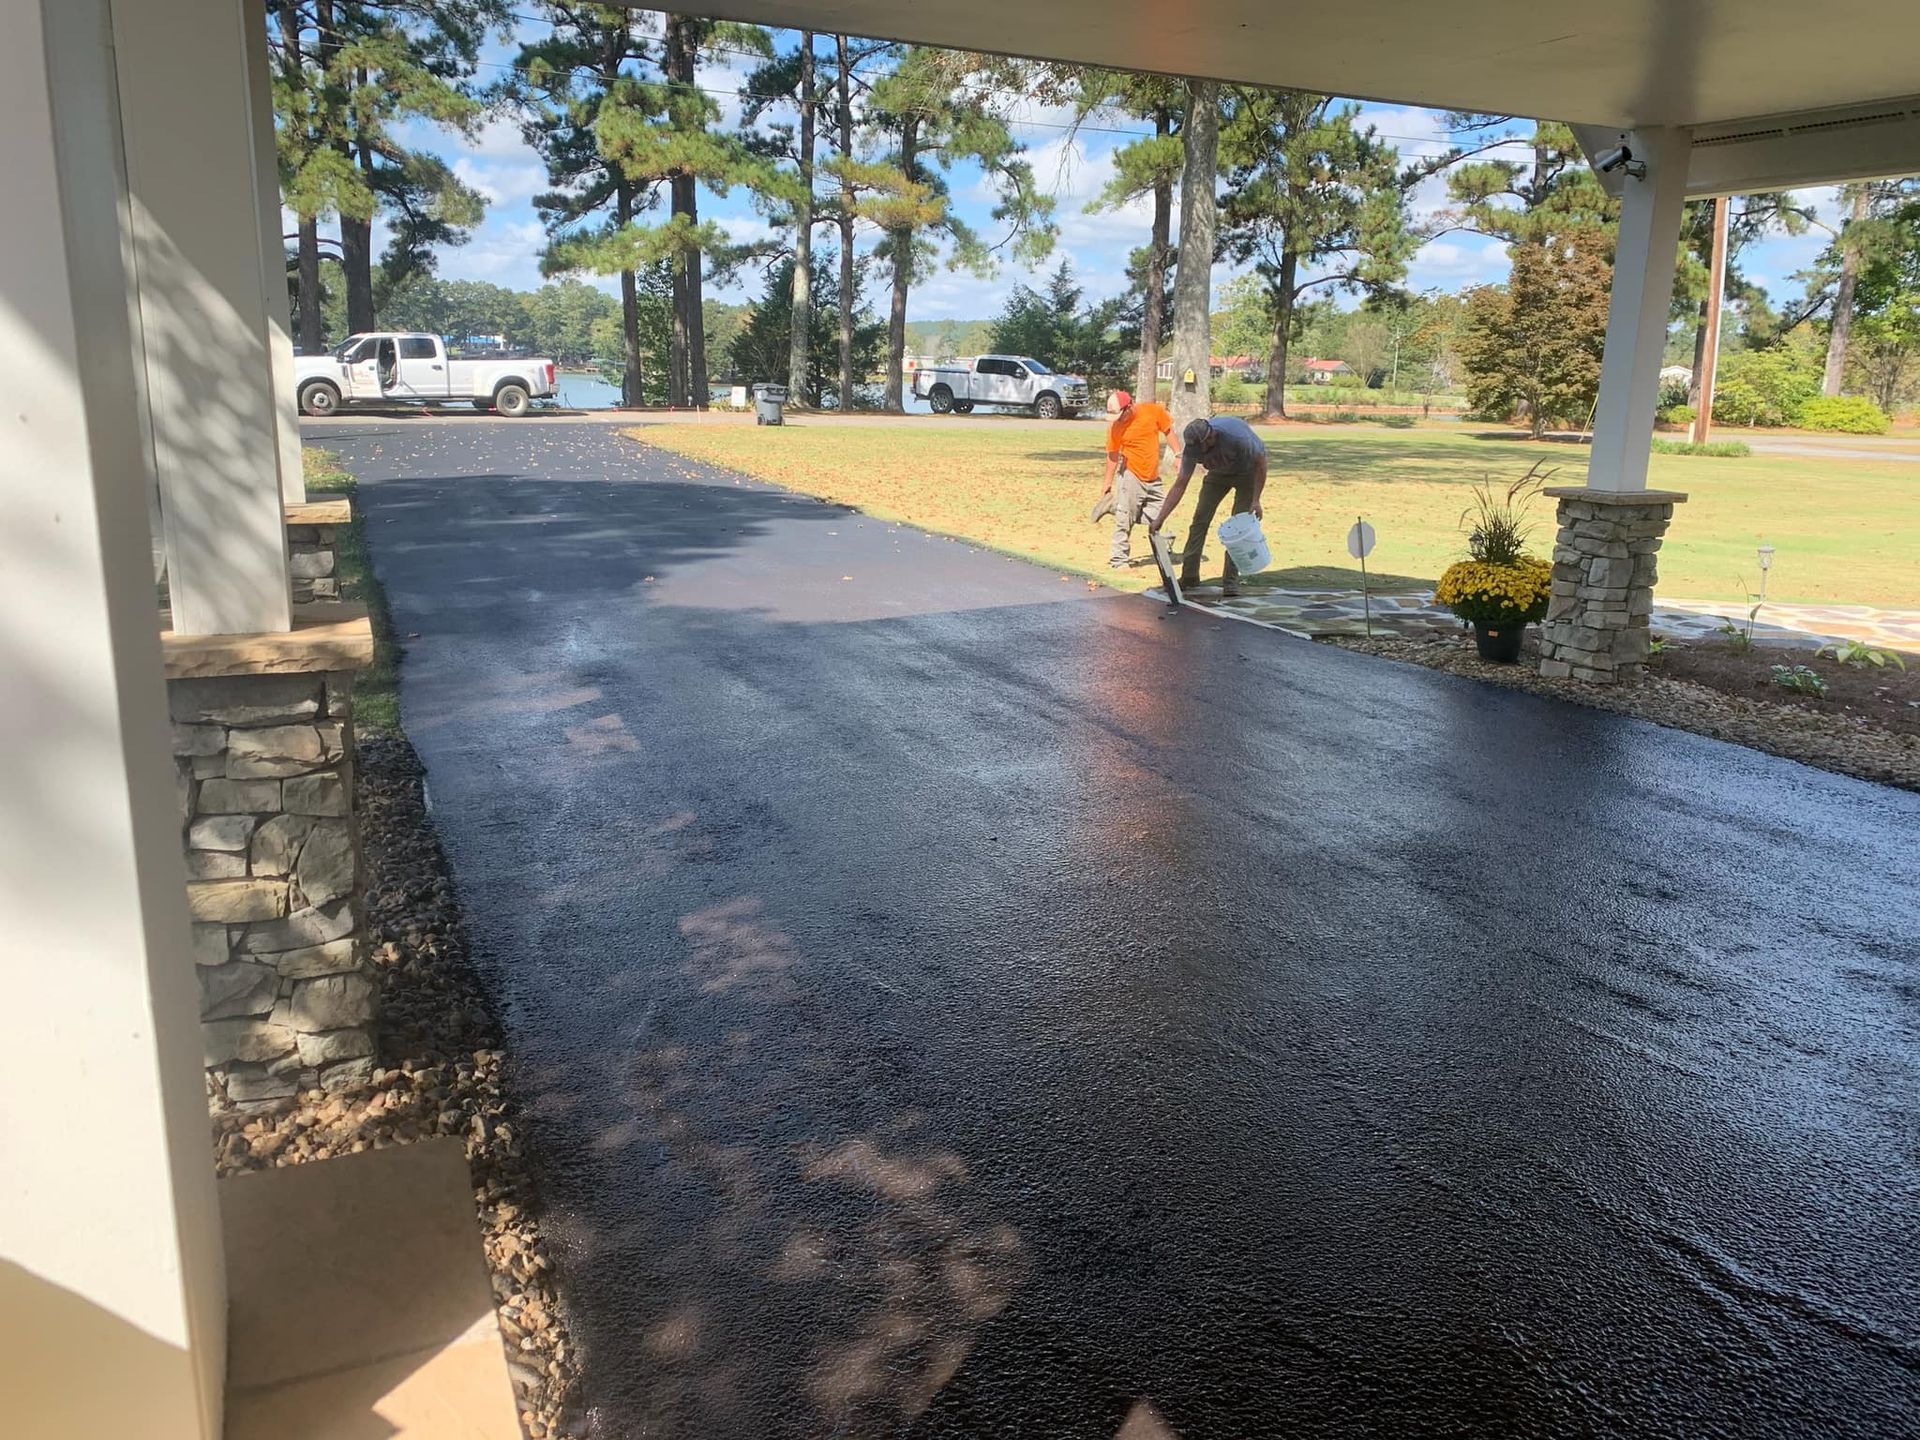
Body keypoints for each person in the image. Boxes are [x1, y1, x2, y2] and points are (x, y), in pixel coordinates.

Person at [1151, 415, 1268, 596]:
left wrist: (1256, 500)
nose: (1199, 453)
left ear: (1211, 437)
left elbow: (1261, 463)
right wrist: (1160, 518)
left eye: (1201, 448)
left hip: (1247, 474)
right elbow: (1181, 483)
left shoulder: (1237, 438)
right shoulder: (1192, 449)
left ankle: (1230, 582)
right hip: (1217, 475)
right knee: (1199, 520)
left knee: (1238, 528)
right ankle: (1189, 577)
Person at [1097, 389, 1180, 569]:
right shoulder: (1115, 428)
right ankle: (1118, 560)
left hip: (1152, 476)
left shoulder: (1152, 412)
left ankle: (1115, 507)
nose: (1118, 420)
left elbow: (1168, 430)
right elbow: (1112, 456)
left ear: (1129, 406)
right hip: (1131, 475)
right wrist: (1107, 484)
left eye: (1119, 415)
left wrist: (1178, 455)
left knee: (1160, 514)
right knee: (1125, 519)